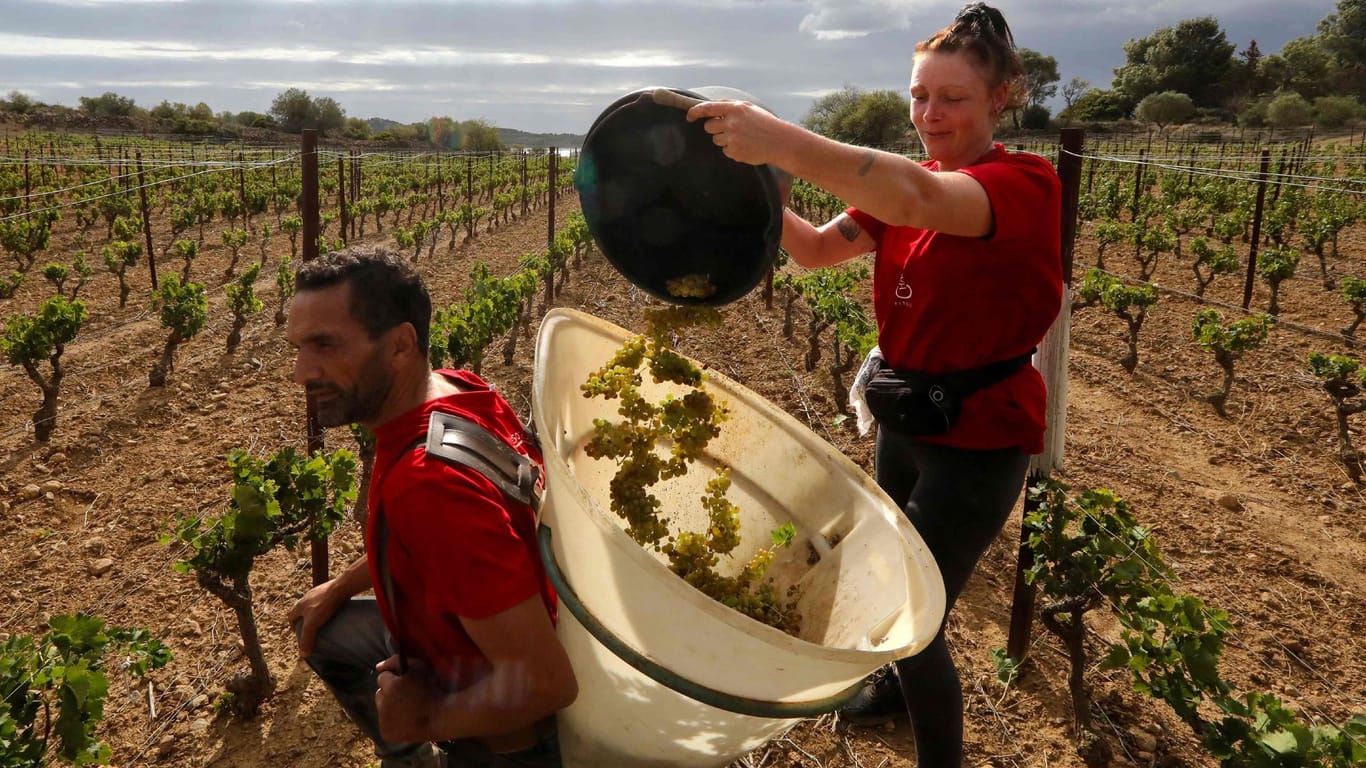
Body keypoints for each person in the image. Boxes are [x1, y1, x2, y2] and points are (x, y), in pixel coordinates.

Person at [686, 4, 1062, 766]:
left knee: (906, 614)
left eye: (951, 98)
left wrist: (782, 139)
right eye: (919, 96)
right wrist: (766, 185)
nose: (929, 114)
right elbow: (820, 250)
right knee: (900, 595)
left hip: (978, 438)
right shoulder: (910, 185)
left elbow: (920, 204)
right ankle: (895, 690)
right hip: (904, 415)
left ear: (1001, 98)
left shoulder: (1020, 184)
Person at [285, 245, 578, 768]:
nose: (302, 373)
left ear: (401, 344)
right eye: (299, 348)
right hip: (497, 618)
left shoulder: (429, 487)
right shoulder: (459, 389)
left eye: (325, 345)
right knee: (324, 633)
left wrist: (424, 719)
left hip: (511, 737)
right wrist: (340, 586)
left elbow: (545, 684)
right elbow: (429, 539)